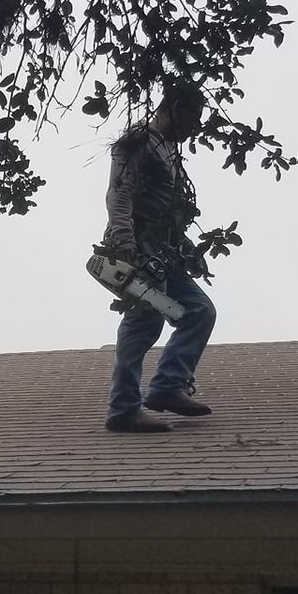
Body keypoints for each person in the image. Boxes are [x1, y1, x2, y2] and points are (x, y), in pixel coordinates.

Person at [101, 81, 217, 433]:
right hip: (138, 246)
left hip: (166, 252)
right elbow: (119, 194)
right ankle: (123, 409)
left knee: (199, 310)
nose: (193, 126)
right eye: (191, 117)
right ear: (173, 106)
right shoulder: (139, 143)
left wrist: (187, 250)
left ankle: (167, 387)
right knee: (144, 320)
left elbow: (168, 208)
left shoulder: (170, 151)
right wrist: (124, 241)